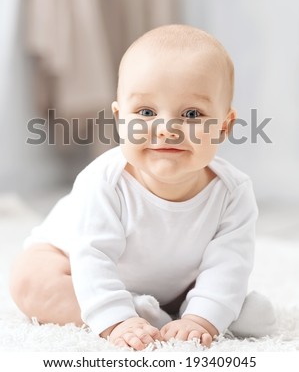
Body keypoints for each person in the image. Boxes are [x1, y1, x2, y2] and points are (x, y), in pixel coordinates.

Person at [10, 24, 275, 350]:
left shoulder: (232, 192)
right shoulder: (104, 182)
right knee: (29, 280)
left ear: (224, 126)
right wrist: (117, 320)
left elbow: (229, 263)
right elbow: (93, 257)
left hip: (174, 278)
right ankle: (143, 314)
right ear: (121, 120)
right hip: (77, 264)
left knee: (220, 288)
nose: (166, 129)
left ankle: (195, 311)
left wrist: (203, 318)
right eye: (146, 112)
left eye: (191, 114)